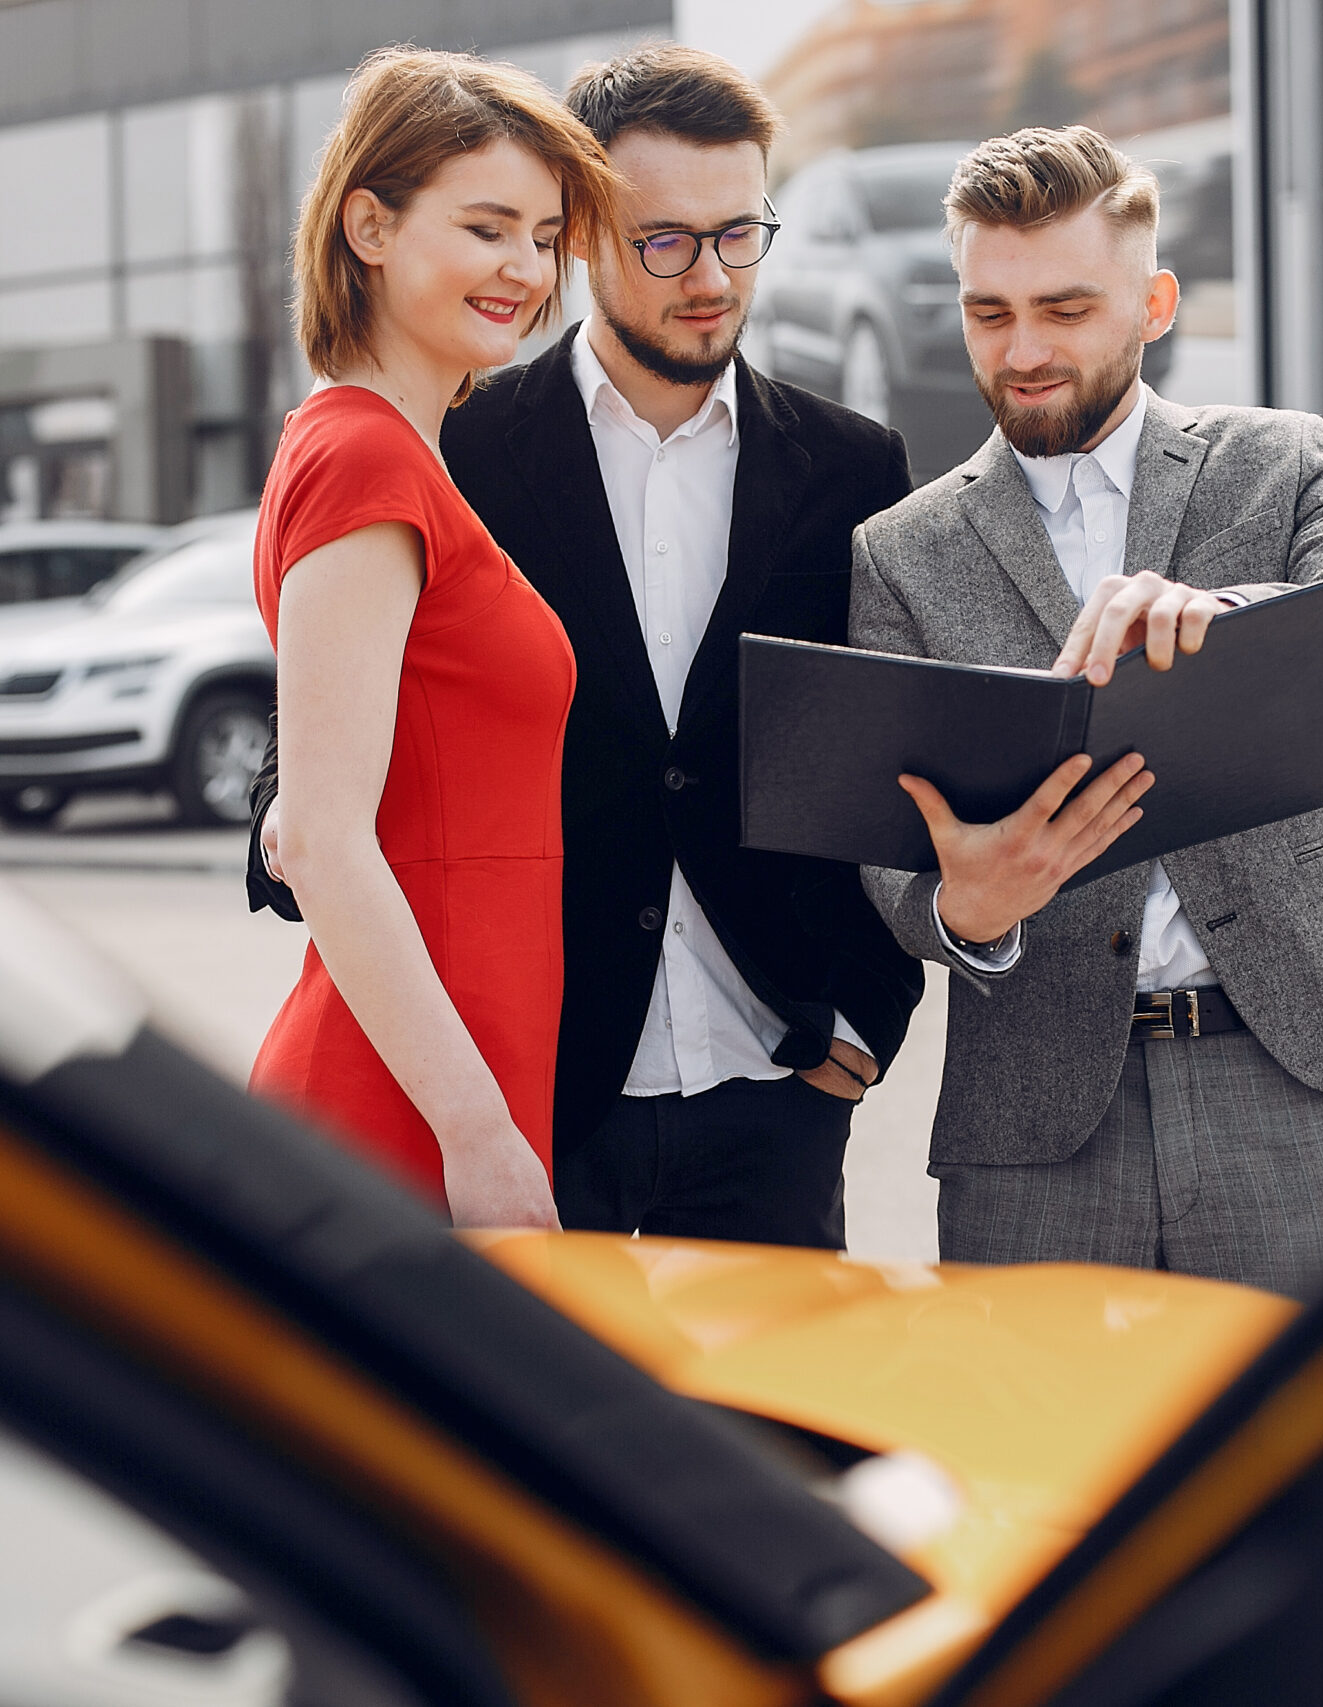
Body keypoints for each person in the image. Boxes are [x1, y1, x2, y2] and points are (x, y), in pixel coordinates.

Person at [254, 45, 924, 1249]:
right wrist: (312, 838)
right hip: (535, 1090)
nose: (710, 275)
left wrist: (868, 1018)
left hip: (774, 1084)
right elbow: (307, 782)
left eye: (740, 234)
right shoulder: (451, 444)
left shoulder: (854, 466)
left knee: (771, 1443)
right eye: (664, 239)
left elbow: (882, 759)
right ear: (592, 238)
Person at [849, 126, 1323, 1295]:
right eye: (989, 313)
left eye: (1066, 310)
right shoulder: (900, 551)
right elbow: (889, 863)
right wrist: (961, 912)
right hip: (1032, 1114)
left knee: (1316, 1457)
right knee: (1039, 1463)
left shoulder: (1272, 462)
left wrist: (1221, 613)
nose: (1021, 350)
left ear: (1155, 301)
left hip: (1283, 1069)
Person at [247, 47, 620, 1228]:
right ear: (369, 223)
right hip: (404, 1109)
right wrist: (478, 1135)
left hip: (456, 1077)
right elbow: (316, 837)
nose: (526, 268)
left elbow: (324, 794)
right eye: (488, 227)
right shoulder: (363, 455)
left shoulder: (398, 456)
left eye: (546, 236)